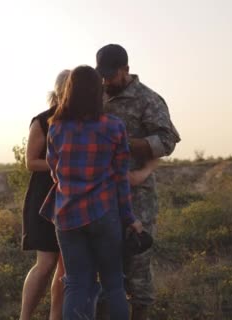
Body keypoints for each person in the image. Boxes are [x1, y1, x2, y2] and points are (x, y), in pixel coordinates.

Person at [41, 65, 143, 320]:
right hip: (104, 215)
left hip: (67, 217)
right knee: (114, 284)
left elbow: (55, 173)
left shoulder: (55, 127)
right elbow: (121, 178)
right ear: (99, 92)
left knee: (75, 285)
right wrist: (130, 218)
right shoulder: (114, 127)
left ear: (69, 92)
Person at [95, 44, 181, 320]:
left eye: (112, 75)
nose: (107, 81)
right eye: (103, 75)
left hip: (137, 195)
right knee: (104, 266)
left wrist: (127, 145)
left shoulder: (148, 100)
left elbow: (167, 141)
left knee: (137, 264)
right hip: (99, 195)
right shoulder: (96, 96)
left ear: (126, 70)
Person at [20, 69, 70, 320]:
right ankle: (25, 317)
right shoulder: (42, 121)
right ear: (62, 91)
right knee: (46, 262)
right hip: (45, 197)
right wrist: (64, 165)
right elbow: (31, 162)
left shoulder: (84, 121)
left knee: (65, 266)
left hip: (73, 198)